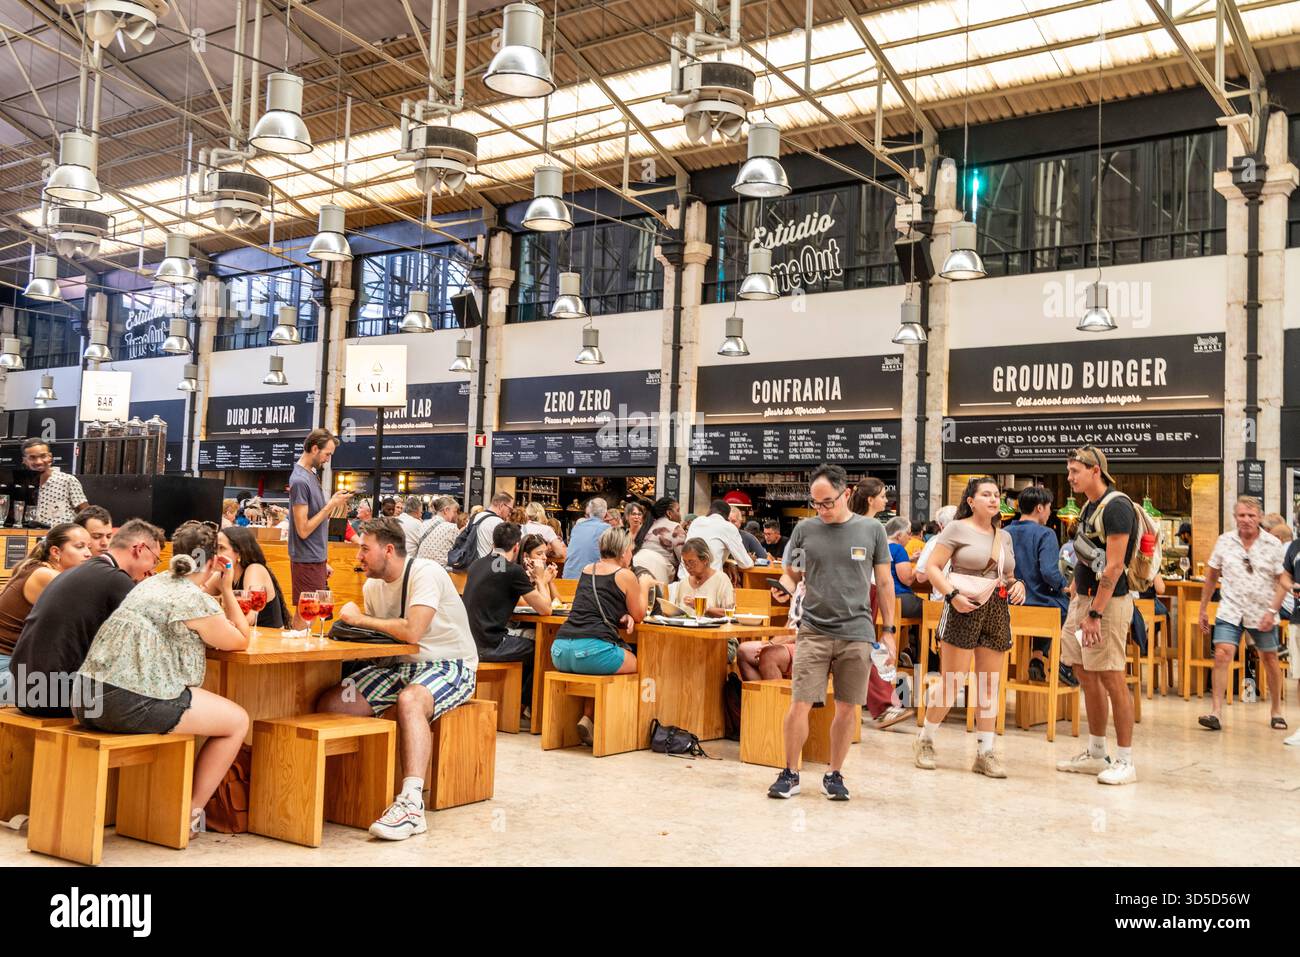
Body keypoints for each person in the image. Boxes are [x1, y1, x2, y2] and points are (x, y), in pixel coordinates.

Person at [73, 521, 250, 829]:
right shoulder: (194, 600)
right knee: (237, 721)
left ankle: (171, 810)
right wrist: (226, 588)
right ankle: (190, 815)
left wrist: (211, 582)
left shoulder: (151, 583)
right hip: (124, 703)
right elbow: (241, 640)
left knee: (200, 706)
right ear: (213, 561)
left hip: (84, 697)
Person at [315, 517, 477, 841]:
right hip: (399, 667)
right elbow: (385, 641)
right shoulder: (372, 586)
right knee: (332, 703)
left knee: (410, 700)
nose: (358, 556)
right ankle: (343, 792)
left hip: (449, 663)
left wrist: (359, 620)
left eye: (365, 549)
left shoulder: (426, 572)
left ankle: (412, 805)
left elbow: (412, 631)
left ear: (388, 550)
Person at [767, 464, 893, 802]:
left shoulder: (872, 531)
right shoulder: (805, 530)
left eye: (828, 502)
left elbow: (884, 583)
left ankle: (834, 774)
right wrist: (783, 587)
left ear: (846, 493)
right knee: (800, 702)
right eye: (816, 503)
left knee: (847, 707)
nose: (821, 509)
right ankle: (790, 773)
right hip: (813, 629)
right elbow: (793, 573)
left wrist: (889, 630)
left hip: (857, 631)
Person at [912, 476, 1024, 779]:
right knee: (953, 680)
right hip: (962, 605)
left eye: (996, 494)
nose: (993, 499)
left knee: (989, 683)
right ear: (971, 501)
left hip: (996, 608)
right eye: (986, 494)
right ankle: (925, 740)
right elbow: (932, 567)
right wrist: (951, 595)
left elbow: (1008, 576)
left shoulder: (1005, 536)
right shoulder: (957, 528)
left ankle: (985, 752)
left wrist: (1018, 585)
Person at [10, 518, 163, 718]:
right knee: (163, 699)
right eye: (155, 560)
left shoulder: (81, 571)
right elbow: (151, 639)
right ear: (139, 549)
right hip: (54, 697)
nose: (152, 569)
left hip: (25, 690)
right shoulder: (115, 579)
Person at [1054, 446, 1140, 786]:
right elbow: (1088, 554)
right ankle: (1096, 752)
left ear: (1095, 471)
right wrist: (1076, 587)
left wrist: (1095, 612)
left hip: (1107, 605)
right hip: (1084, 601)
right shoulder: (1089, 506)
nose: (1070, 477)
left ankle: (1126, 761)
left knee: (1110, 676)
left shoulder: (1117, 506)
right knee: (1083, 671)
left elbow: (1115, 566)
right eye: (1069, 471)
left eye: (1075, 471)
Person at [1197, 496, 1288, 733]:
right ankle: (1215, 712)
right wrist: (1203, 608)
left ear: (1259, 517)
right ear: (1235, 517)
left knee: (1269, 659)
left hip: (1262, 611)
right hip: (1231, 609)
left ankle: (1276, 710)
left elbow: (1283, 581)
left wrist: (1273, 610)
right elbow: (1211, 576)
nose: (1246, 519)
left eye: (1251, 515)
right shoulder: (1225, 541)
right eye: (1241, 515)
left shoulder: (1272, 544)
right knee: (1222, 654)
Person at [550, 528, 645, 744]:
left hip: (560, 651)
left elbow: (594, 605)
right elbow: (640, 614)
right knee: (641, 664)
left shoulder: (587, 569)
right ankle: (616, 731)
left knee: (596, 667)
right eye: (631, 550)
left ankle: (588, 717)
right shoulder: (626, 575)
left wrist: (622, 614)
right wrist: (646, 584)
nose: (631, 555)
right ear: (623, 551)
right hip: (592, 652)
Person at [463, 523, 556, 715]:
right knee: (543, 647)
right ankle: (527, 707)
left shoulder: (476, 565)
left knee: (531, 641)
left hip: (468, 643)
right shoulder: (512, 570)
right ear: (516, 547)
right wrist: (540, 579)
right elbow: (546, 609)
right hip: (491, 645)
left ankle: (518, 706)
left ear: (493, 543)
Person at [0, 523, 92, 703]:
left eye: (89, 547)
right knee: (85, 697)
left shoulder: (40, 568)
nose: (88, 553)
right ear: (56, 552)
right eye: (80, 547)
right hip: (5, 668)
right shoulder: (45, 575)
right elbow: (91, 603)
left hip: (17, 666)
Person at [1003, 485, 1074, 685]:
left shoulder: (1004, 532)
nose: (1050, 512)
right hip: (1038, 604)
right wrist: (1064, 585)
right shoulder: (1045, 534)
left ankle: (1036, 657)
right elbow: (1049, 572)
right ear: (1040, 508)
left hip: (1008, 606)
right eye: (1049, 507)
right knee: (1066, 608)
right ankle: (1060, 663)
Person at [288, 429, 350, 630]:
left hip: (314, 558)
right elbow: (303, 530)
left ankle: (301, 646)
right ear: (314, 449)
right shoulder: (300, 480)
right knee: (307, 613)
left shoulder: (310, 475)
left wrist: (323, 561)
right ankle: (297, 648)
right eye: (327, 454)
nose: (328, 459)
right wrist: (331, 505)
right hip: (306, 559)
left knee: (310, 613)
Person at [216, 525, 289, 629]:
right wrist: (207, 569)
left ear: (239, 553)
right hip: (245, 636)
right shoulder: (223, 574)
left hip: (270, 637)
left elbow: (248, 619)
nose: (216, 554)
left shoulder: (254, 570)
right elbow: (195, 595)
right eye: (214, 548)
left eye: (221, 548)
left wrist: (226, 589)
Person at [677, 500, 753, 581]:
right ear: (727, 517)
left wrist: (727, 563)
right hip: (708, 582)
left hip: (684, 579)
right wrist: (751, 559)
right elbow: (746, 564)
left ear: (709, 511)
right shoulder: (728, 527)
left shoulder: (696, 521)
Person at [22, 438, 87, 527]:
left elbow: (86, 514)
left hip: (62, 534)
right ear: (25, 460)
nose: (39, 462)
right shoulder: (20, 486)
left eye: (43, 456)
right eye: (32, 457)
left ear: (50, 457)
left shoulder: (67, 480)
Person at [669, 538, 736, 616]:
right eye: (685, 563)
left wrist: (702, 607)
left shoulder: (721, 580)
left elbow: (730, 613)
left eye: (691, 562)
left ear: (705, 560)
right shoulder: (683, 583)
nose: (688, 567)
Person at [632, 497, 684, 583]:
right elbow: (683, 558)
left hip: (635, 563)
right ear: (669, 513)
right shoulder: (675, 527)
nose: (680, 515)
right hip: (657, 569)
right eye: (678, 511)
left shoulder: (648, 525)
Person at [884, 516, 923, 619]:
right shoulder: (898, 549)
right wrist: (920, 564)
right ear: (898, 535)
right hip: (899, 599)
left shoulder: (881, 547)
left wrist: (910, 559)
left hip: (881, 601)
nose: (910, 538)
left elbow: (891, 562)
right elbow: (908, 580)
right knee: (933, 609)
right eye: (908, 533)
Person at [563, 497, 611, 579]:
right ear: (606, 514)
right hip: (589, 579)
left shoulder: (577, 527)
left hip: (568, 576)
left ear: (589, 512)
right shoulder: (607, 529)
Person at [915, 505, 959, 589]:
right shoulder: (972, 540)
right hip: (970, 595)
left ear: (941, 525)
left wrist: (935, 566)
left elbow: (920, 576)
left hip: (943, 594)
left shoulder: (934, 543)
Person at [415, 496, 462, 567]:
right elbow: (460, 552)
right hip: (440, 570)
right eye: (454, 512)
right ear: (446, 510)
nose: (456, 515)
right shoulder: (452, 528)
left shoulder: (424, 524)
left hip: (420, 567)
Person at [469, 492, 514, 561]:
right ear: (501, 505)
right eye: (510, 509)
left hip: (472, 564)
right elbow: (501, 553)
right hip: (488, 565)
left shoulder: (475, 517)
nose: (510, 513)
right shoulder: (499, 523)